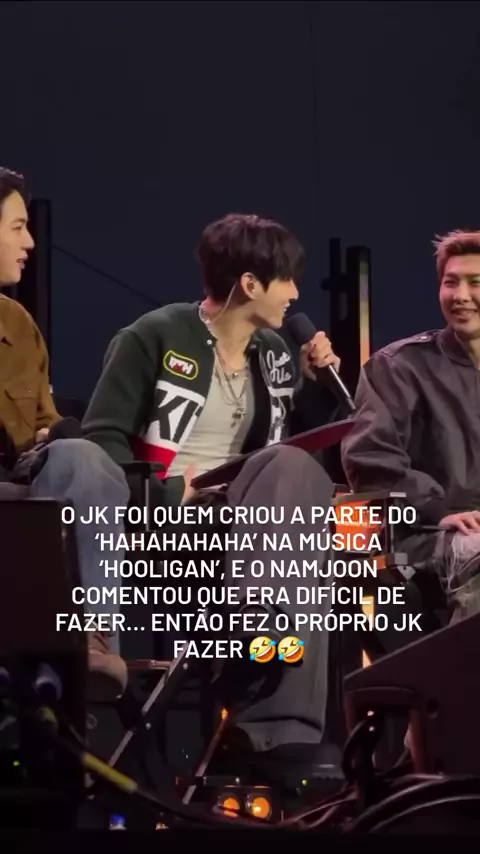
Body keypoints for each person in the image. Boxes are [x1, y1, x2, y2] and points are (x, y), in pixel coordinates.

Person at [82, 212, 351, 785]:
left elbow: (290, 445)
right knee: (292, 505)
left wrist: (315, 389)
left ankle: (273, 706)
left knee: (299, 476)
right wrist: (166, 491)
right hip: (164, 521)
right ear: (250, 284)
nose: (295, 294)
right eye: (287, 280)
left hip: (248, 522)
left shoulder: (273, 352)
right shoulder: (155, 335)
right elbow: (99, 442)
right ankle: (266, 682)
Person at [0, 166, 128, 701]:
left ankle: (89, 641)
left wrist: (54, 436)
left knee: (82, 458)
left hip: (18, 484)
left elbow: (43, 425)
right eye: (17, 227)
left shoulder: (18, 325)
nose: (30, 242)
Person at [341, 229, 480, 626]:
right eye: (451, 282)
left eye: (475, 283)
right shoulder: (399, 367)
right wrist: (438, 511)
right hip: (427, 534)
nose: (460, 295)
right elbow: (371, 461)